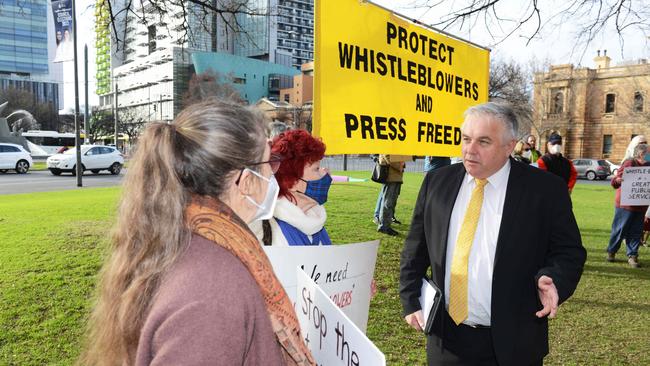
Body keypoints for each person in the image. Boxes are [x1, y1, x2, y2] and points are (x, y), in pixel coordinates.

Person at [79, 100, 314, 365]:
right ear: (247, 181)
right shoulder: (213, 294)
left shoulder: (185, 238)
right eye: (269, 161)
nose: (274, 172)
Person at [400, 102, 586, 366]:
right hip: (446, 337)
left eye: (483, 142)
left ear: (509, 146)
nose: (470, 149)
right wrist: (410, 299)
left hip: (514, 342)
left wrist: (554, 279)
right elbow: (415, 249)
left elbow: (569, 252)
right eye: (466, 139)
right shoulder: (436, 182)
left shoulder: (545, 190)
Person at [250, 129, 332, 246]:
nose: (327, 172)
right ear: (292, 182)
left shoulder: (316, 222)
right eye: (316, 168)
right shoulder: (265, 233)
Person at [606, 144, 650, 268]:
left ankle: (632, 255)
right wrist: (618, 180)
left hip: (641, 205)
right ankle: (611, 251)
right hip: (624, 205)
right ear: (641, 153)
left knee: (636, 232)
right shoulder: (629, 163)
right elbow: (614, 182)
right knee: (619, 230)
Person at [375, 154, 412, 236]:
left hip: (395, 177)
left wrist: (402, 165)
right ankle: (384, 226)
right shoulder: (388, 144)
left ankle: (385, 225)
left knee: (390, 203)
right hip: (391, 177)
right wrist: (400, 166)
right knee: (388, 203)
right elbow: (387, 156)